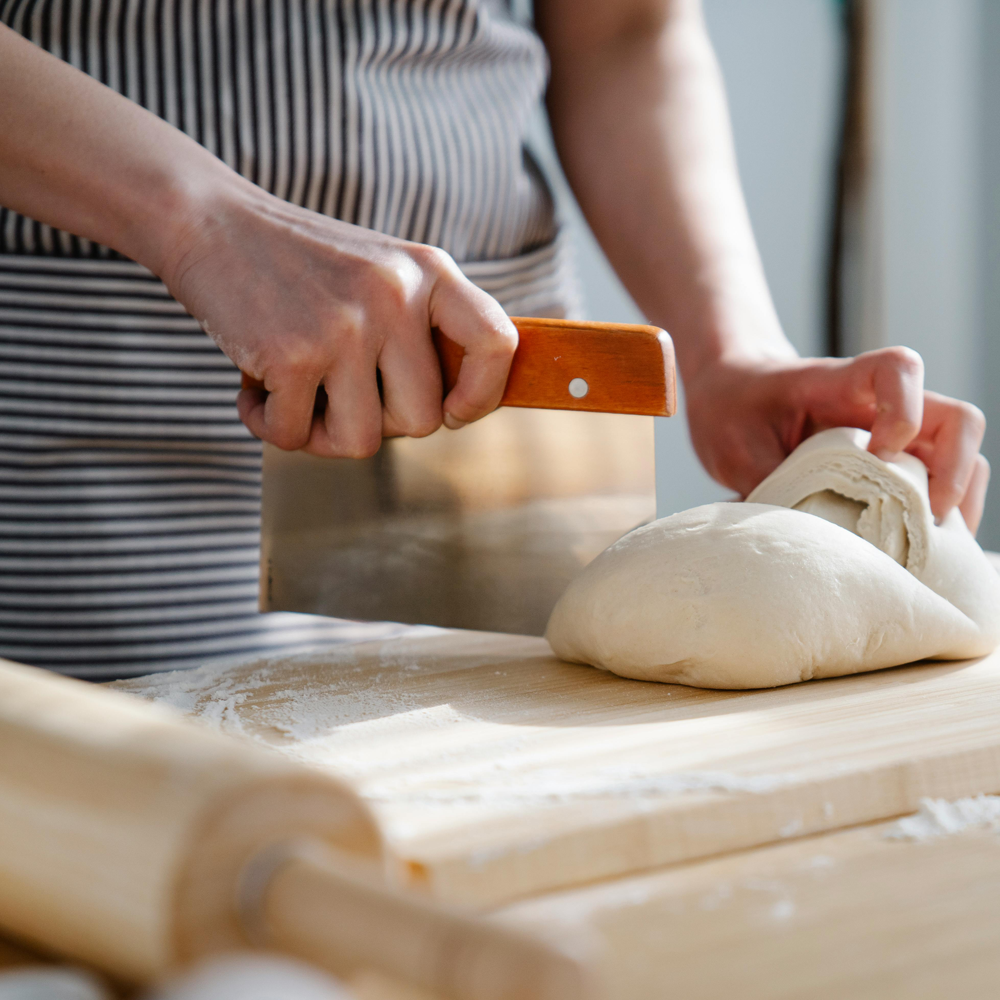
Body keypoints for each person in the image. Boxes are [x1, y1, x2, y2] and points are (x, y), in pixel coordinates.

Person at [0, 0, 988, 679]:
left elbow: (625, 31)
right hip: (84, 403)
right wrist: (197, 220)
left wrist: (730, 350)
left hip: (495, 410)